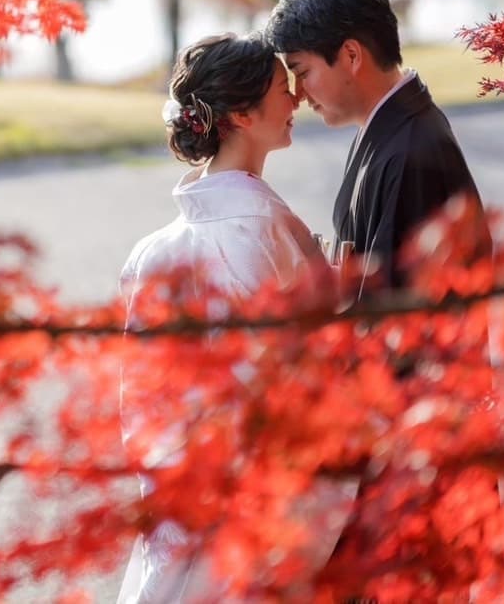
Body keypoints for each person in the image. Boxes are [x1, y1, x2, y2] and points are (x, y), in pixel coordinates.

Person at [116, 33, 351, 604]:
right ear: (242, 115)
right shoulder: (253, 233)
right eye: (280, 88)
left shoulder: (155, 250)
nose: (295, 98)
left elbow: (141, 401)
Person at [264, 0, 490, 294]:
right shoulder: (390, 130)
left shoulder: (413, 154)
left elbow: (404, 306)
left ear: (351, 56)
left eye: (302, 72)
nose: (298, 93)